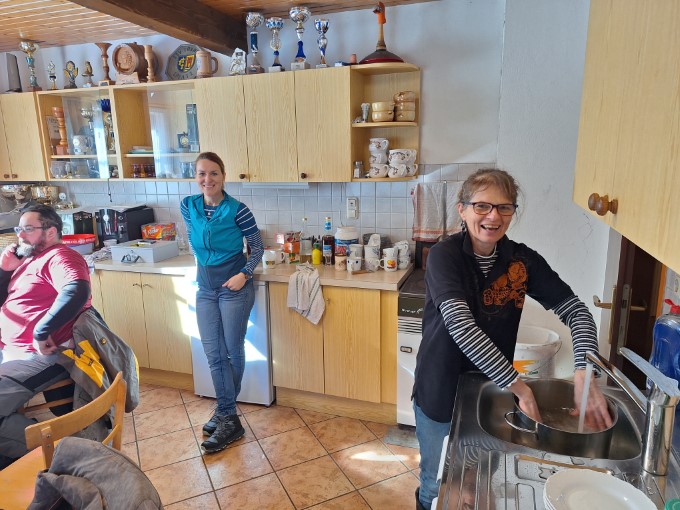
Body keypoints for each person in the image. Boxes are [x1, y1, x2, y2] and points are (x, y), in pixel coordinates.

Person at [412, 169, 613, 509]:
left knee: (477, 482)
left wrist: (584, 371)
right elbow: (461, 326)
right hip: (440, 390)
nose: (493, 216)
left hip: (491, 394)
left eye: (504, 207)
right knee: (438, 483)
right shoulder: (445, 256)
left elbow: (577, 312)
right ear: (462, 210)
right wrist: (520, 388)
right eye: (482, 206)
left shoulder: (522, 262)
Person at [181, 152, 264, 453]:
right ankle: (227, 414)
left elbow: (257, 248)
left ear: (223, 176)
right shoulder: (188, 206)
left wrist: (244, 274)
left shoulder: (238, 211)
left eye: (214, 173)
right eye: (202, 173)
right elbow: (194, 239)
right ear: (196, 177)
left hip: (234, 287)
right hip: (205, 287)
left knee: (231, 350)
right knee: (213, 354)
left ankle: (227, 416)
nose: (208, 179)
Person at [0, 204, 92, 467]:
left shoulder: (61, 256)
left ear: (50, 232)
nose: (20, 235)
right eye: (19, 228)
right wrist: (5, 271)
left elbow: (77, 289)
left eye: (28, 229)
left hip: (41, 356)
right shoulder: (28, 259)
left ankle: (67, 459)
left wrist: (42, 331)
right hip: (11, 351)